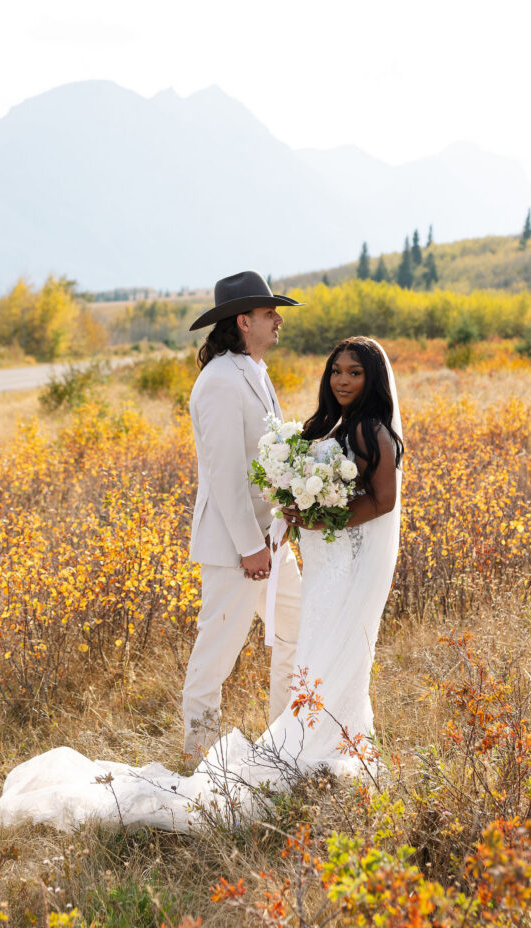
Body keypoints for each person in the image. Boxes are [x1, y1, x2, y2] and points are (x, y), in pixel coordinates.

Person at [0, 336, 403, 834]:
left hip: (336, 566)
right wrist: (294, 514)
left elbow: (382, 501)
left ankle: (319, 747)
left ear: (372, 379)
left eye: (353, 372)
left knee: (324, 654)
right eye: (336, 370)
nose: (341, 379)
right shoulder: (232, 385)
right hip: (277, 554)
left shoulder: (365, 428)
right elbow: (229, 473)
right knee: (242, 648)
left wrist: (320, 517)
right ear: (245, 320)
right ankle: (220, 748)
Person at [182, 270, 304, 762]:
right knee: (215, 657)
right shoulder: (217, 383)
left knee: (298, 630)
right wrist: (251, 547)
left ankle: (285, 745)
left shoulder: (254, 371)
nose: (278, 319)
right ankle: (197, 762)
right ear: (243, 321)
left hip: (272, 539)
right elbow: (227, 474)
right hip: (238, 547)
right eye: (269, 312)